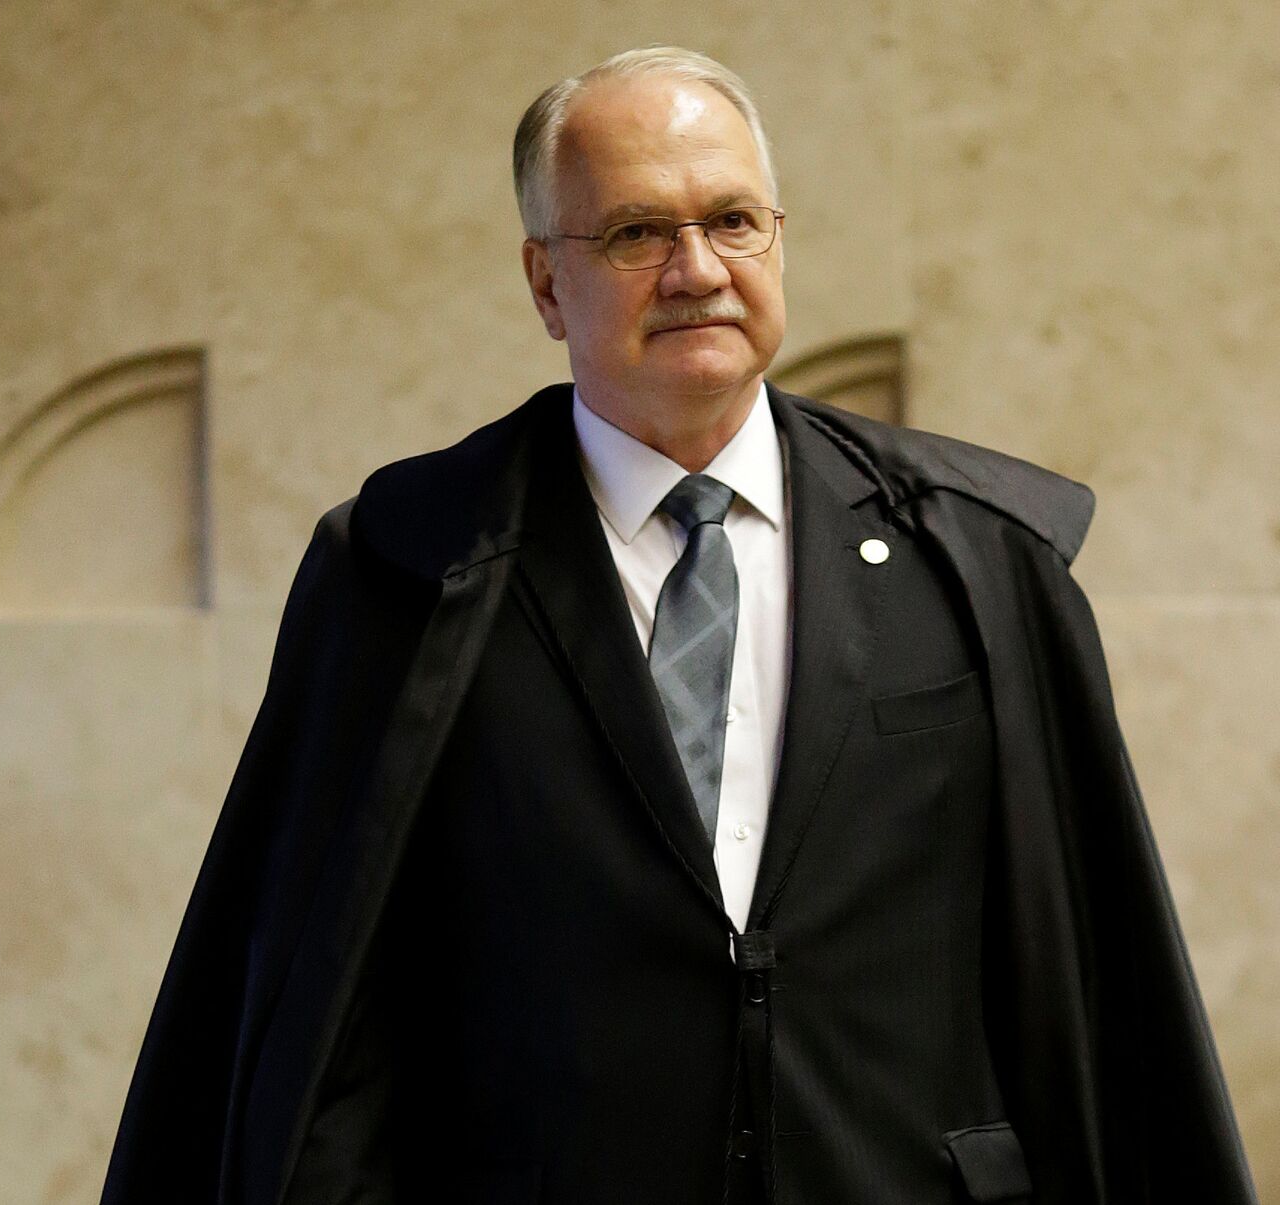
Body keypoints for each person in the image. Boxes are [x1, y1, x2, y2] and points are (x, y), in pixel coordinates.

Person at [102, 46, 1256, 1204]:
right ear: (546, 283)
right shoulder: (407, 570)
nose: (697, 270)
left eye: (734, 221)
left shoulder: (976, 554)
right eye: (636, 233)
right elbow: (318, 1009)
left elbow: (1102, 984)